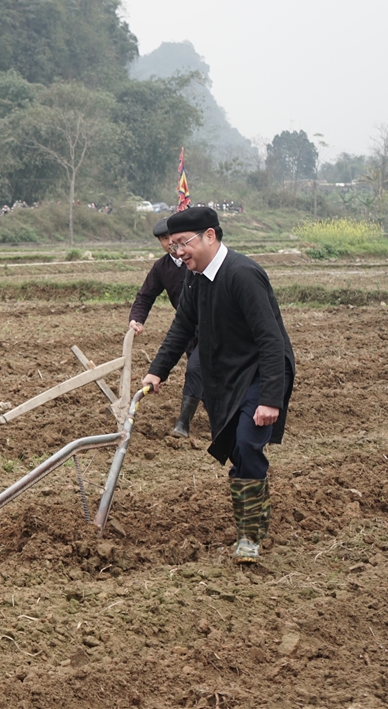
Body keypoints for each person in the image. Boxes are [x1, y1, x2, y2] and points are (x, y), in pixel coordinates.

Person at [141, 207, 295, 565]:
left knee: (245, 441)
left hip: (260, 373)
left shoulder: (243, 274)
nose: (178, 253)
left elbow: (272, 340)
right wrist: (157, 371)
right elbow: (182, 327)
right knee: (238, 448)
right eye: (174, 246)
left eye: (183, 244)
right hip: (226, 376)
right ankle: (256, 522)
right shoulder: (196, 279)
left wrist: (271, 398)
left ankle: (249, 539)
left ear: (209, 236)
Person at [128, 218, 201, 438]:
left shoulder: (198, 261)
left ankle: (183, 424)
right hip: (187, 329)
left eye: (172, 237)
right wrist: (137, 319)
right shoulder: (161, 267)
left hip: (213, 325)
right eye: (163, 239)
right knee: (200, 372)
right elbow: (145, 295)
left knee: (197, 370)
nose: (169, 242)